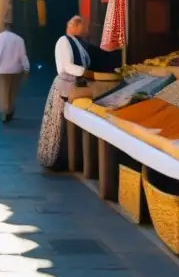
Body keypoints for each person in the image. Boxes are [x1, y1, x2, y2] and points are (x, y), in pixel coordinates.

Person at [38, 15, 120, 169]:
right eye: (83, 26)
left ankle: (71, 159)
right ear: (74, 26)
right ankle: (57, 159)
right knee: (59, 125)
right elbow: (66, 66)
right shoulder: (63, 41)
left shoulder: (79, 43)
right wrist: (86, 73)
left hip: (76, 85)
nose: (85, 30)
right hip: (65, 86)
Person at [0, 20, 29, 123]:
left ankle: (4, 112)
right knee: (13, 92)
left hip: (2, 70)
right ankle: (10, 110)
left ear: (4, 27)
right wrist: (26, 68)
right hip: (16, 70)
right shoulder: (19, 39)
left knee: (3, 93)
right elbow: (23, 56)